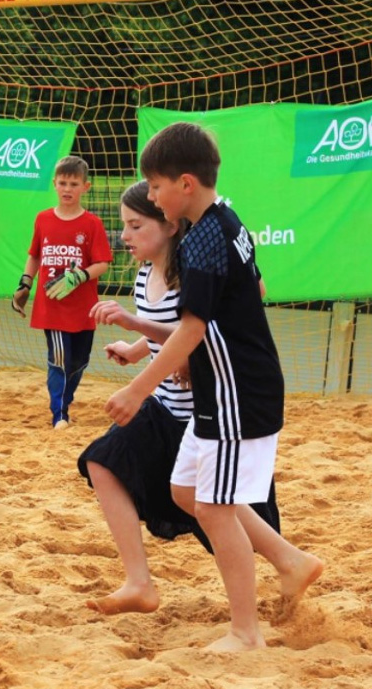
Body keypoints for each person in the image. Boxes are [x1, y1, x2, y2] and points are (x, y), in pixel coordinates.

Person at [104, 122, 323, 652]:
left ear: (183, 183)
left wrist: (138, 387)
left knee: (215, 507)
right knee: (186, 492)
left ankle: (245, 633)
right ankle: (291, 560)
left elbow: (193, 330)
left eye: (154, 188)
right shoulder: (220, 219)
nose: (151, 198)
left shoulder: (203, 240)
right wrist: (143, 346)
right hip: (221, 387)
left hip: (236, 392)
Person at [78, 180, 281, 616]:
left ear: (169, 224)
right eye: (123, 226)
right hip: (166, 407)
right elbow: (168, 338)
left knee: (223, 516)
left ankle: (283, 569)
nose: (124, 236)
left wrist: (134, 330)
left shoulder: (192, 268)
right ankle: (138, 582)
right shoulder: (145, 272)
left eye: (134, 225)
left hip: (208, 415)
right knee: (102, 461)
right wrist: (135, 349)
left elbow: (195, 334)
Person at [12, 155, 112, 429]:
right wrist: (25, 284)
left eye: (74, 183)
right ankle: (59, 413)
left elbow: (102, 263)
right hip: (52, 305)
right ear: (54, 184)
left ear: (86, 187)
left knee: (79, 361)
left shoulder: (92, 224)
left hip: (83, 306)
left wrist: (81, 275)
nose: (68, 189)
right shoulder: (43, 219)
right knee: (58, 358)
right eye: (63, 183)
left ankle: (64, 402)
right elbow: (35, 255)